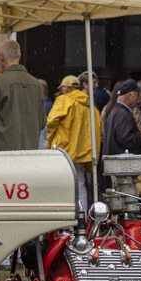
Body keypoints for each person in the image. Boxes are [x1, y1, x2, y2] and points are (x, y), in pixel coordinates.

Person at [46, 72, 100, 210]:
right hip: (83, 153)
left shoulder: (64, 101)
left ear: (66, 88)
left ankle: (66, 222)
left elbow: (51, 122)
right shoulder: (90, 106)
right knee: (80, 184)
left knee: (63, 186)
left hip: (64, 151)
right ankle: (82, 219)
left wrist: (50, 142)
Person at [0, 39, 43, 151]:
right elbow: (42, 123)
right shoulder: (36, 84)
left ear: (1, 57)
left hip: (2, 155)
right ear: (19, 56)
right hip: (29, 153)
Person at [102, 78, 141, 157]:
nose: (138, 99)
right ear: (129, 95)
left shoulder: (116, 111)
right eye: (137, 95)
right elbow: (127, 140)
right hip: (122, 165)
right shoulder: (122, 114)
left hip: (116, 164)